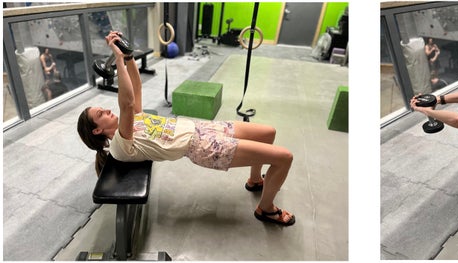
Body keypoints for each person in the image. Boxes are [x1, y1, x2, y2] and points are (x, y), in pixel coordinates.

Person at [77, 31, 296, 226]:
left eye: (103, 109)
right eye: (100, 114)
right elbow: (126, 102)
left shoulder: (134, 119)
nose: (106, 110)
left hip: (203, 127)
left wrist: (128, 55)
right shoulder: (120, 145)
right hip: (203, 146)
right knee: (284, 157)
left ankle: (255, 179)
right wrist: (117, 57)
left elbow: (136, 86)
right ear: (97, 131)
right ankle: (266, 209)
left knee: (268, 133)